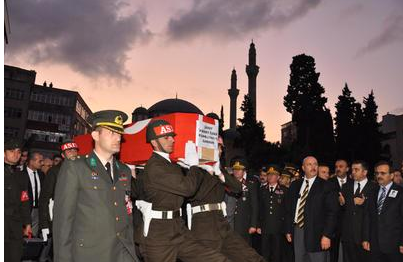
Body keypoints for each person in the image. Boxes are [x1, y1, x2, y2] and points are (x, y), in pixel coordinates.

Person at [137, 119, 230, 262]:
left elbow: (191, 185)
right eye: (166, 137)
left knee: (216, 259)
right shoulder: (155, 166)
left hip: (178, 228)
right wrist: (194, 166)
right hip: (159, 233)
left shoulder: (170, 164)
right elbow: (188, 189)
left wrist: (200, 167)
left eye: (172, 136)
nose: (172, 140)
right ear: (154, 142)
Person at [53, 110, 139, 262]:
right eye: (112, 132)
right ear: (95, 135)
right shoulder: (76, 167)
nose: (118, 137)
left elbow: (127, 211)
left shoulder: (124, 170)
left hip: (122, 252)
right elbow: (63, 221)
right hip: (90, 253)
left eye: (119, 133)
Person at [187, 137, 265, 262]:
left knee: (251, 257)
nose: (220, 150)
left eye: (221, 147)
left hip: (221, 222)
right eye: (218, 146)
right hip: (204, 224)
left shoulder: (220, 169)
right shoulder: (196, 169)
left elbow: (237, 187)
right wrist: (203, 168)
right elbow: (194, 193)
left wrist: (218, 173)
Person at [285, 156, 339, 262]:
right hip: (298, 231)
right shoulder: (295, 185)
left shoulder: (327, 186)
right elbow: (289, 208)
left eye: (315, 164)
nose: (313, 167)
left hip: (318, 234)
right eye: (309, 164)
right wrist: (288, 229)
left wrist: (327, 235)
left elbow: (332, 212)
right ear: (303, 167)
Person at [362, 161, 403, 262]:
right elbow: (368, 216)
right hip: (375, 244)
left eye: (383, 173)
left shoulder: (400, 192)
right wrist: (366, 238)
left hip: (394, 245)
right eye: (377, 173)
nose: (379, 176)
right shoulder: (372, 192)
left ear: (392, 175)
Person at [39, 140, 79, 241]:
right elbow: (44, 198)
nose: (73, 153)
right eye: (69, 151)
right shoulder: (54, 171)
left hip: (77, 218)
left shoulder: (81, 170)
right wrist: (44, 224)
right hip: (59, 217)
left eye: (75, 150)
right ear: (63, 155)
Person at [339, 160, 376, 262]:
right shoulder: (346, 187)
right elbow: (343, 211)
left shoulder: (374, 188)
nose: (353, 172)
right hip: (348, 236)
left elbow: (375, 212)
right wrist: (342, 204)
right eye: (352, 169)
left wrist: (364, 204)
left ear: (365, 172)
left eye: (356, 169)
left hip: (365, 236)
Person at [4, 139, 32, 262]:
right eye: (11, 151)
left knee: (15, 256)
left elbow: (24, 200)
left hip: (15, 224)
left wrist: (27, 223)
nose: (16, 154)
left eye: (18, 152)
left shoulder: (21, 175)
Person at [257, 165, 288, 262]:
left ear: (278, 177)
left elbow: (287, 211)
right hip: (265, 226)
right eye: (269, 174)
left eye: (273, 175)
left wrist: (286, 227)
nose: (270, 177)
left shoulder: (284, 190)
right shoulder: (262, 190)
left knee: (277, 253)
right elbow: (259, 209)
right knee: (264, 252)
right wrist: (258, 225)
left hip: (278, 227)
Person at [225, 159, 259, 246]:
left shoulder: (250, 184)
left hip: (244, 222)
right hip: (230, 221)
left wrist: (253, 225)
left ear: (244, 171)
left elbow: (255, 206)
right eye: (235, 169)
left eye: (239, 169)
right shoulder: (228, 182)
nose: (236, 171)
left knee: (245, 247)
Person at [328, 159, 351, 262]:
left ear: (347, 169)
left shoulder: (353, 182)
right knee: (333, 252)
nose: (338, 168)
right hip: (334, 224)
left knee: (349, 252)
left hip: (349, 223)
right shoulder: (329, 183)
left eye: (341, 166)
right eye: (336, 166)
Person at [21, 151, 45, 237]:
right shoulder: (21, 175)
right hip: (25, 210)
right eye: (40, 161)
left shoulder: (41, 175)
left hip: (38, 210)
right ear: (31, 161)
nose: (42, 163)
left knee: (33, 235)